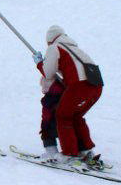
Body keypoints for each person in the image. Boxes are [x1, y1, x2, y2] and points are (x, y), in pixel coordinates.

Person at [33, 25, 104, 167]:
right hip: (96, 86)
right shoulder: (75, 48)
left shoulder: (55, 47)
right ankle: (86, 150)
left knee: (62, 115)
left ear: (50, 40)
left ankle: (69, 153)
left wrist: (40, 63)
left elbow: (48, 72)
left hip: (79, 86)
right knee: (76, 116)